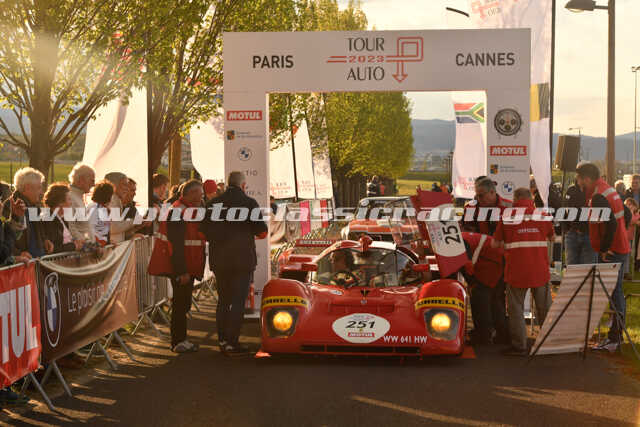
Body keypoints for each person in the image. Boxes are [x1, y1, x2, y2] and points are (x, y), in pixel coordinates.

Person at [201, 171, 268, 356]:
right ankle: (232, 342)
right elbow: (263, 233)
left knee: (223, 300)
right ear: (243, 185)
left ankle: (222, 340)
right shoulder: (249, 203)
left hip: (220, 261)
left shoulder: (213, 204)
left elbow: (201, 233)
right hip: (242, 260)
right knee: (238, 301)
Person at [492, 187, 554, 356]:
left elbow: (494, 244)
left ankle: (519, 345)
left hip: (516, 270)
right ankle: (549, 342)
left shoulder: (507, 217)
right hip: (539, 270)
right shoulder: (542, 215)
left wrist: (506, 246)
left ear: (515, 198)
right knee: (545, 308)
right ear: (531, 198)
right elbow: (552, 237)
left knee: (516, 309)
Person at [576, 162, 630, 352]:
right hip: (618, 248)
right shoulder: (607, 190)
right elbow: (626, 214)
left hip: (613, 251)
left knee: (614, 293)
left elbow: (612, 223)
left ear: (586, 179)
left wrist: (605, 248)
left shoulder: (599, 195)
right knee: (615, 292)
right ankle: (615, 335)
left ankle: (615, 338)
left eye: (579, 179)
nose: (578, 182)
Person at [165, 180, 206, 353]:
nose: (202, 197)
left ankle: (180, 340)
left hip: (189, 265)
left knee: (183, 304)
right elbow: (176, 245)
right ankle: (178, 341)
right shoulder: (178, 211)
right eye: (200, 194)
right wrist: (181, 271)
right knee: (180, 305)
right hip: (183, 268)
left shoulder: (186, 209)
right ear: (191, 194)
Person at [461, 232, 508, 345]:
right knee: (494, 301)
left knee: (480, 299)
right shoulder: (463, 238)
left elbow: (466, 265)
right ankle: (503, 334)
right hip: (497, 260)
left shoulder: (460, 242)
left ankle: (483, 335)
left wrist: (471, 282)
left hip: (492, 263)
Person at [10, 167, 53, 258]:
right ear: (27, 188)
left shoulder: (34, 206)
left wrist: (45, 240)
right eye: (39, 188)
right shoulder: (10, 206)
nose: (42, 192)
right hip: (25, 263)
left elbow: (38, 232)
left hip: (36, 260)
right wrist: (17, 254)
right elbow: (6, 236)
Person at [43, 183, 85, 253]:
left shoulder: (62, 219)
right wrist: (74, 246)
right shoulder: (48, 220)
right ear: (60, 202)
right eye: (69, 199)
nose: (71, 203)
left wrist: (77, 242)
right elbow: (52, 248)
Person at [563, 183, 598, 264]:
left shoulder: (594, 190)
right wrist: (566, 228)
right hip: (572, 234)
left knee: (588, 269)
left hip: (589, 235)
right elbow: (565, 207)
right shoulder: (571, 190)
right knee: (571, 268)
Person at [104, 172, 136, 243]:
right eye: (124, 185)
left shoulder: (116, 200)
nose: (127, 189)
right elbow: (114, 227)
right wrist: (134, 221)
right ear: (113, 185)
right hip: (113, 245)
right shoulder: (112, 201)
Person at [67, 163, 95, 242]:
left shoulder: (77, 197)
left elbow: (83, 227)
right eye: (92, 180)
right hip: (82, 248)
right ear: (81, 180)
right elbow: (70, 228)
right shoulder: (70, 197)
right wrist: (88, 244)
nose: (93, 184)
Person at [88, 180, 114, 246]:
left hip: (102, 244)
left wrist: (108, 242)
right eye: (111, 195)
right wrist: (98, 243)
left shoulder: (103, 208)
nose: (112, 198)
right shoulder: (94, 207)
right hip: (96, 246)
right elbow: (90, 228)